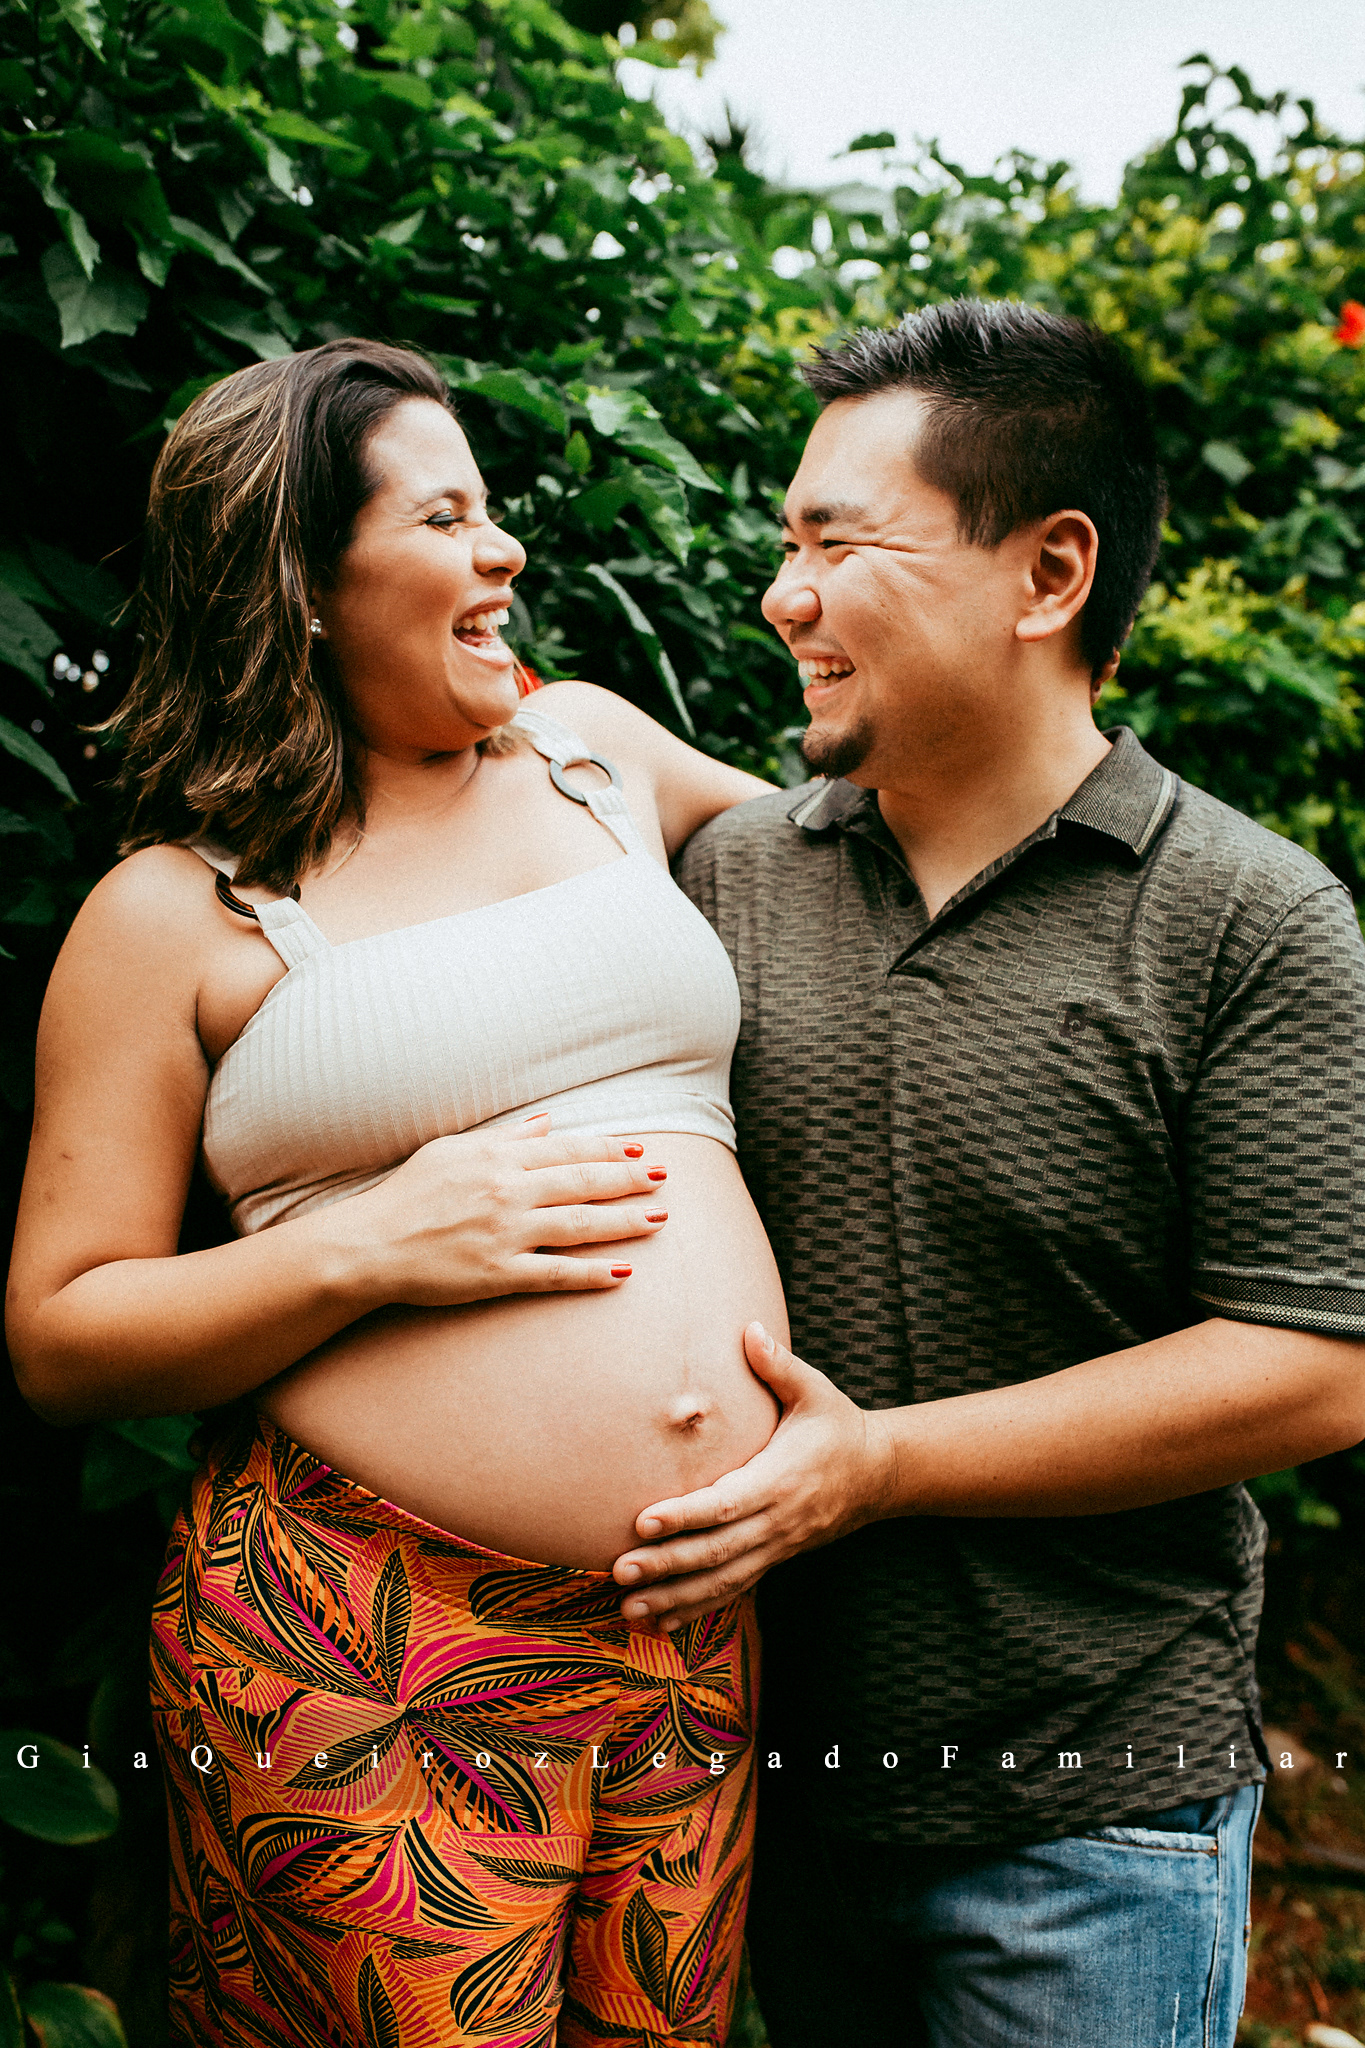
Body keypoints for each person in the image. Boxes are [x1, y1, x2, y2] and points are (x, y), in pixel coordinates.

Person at [4, 338, 787, 2048]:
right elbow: (61, 1335)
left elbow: (874, 891)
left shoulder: (597, 755)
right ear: (298, 583)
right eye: (445, 518)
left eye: (489, 509)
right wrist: (373, 1242)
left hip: (687, 1628)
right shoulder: (175, 913)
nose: (504, 550)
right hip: (363, 1641)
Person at [608, 299, 1365, 2048]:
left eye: (837, 545)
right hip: (758, 1790)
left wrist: (881, 1466)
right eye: (783, 545)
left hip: (1091, 1818)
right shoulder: (724, 881)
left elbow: (1317, 1366)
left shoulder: (1248, 920)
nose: (782, 596)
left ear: (1049, 573)